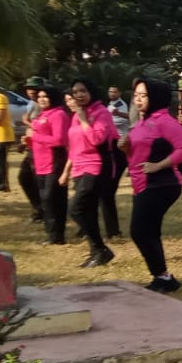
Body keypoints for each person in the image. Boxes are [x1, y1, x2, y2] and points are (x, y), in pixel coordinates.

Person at [125, 79, 182, 293]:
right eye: (136, 95)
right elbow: (137, 153)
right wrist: (125, 147)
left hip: (161, 184)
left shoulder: (164, 121)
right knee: (148, 231)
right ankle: (162, 277)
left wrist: (158, 166)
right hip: (143, 183)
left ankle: (163, 277)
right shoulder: (142, 121)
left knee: (140, 231)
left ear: (155, 97)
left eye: (143, 95)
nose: (138, 99)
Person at [59, 78, 117, 269]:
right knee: (88, 210)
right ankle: (96, 251)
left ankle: (101, 248)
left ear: (91, 91)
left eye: (83, 91)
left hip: (96, 165)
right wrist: (67, 171)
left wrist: (84, 120)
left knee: (76, 208)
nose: (79, 95)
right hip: (79, 167)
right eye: (75, 92)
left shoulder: (102, 113)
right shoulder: (77, 114)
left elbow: (97, 139)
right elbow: (74, 146)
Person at [25, 86, 69, 246]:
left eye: (45, 96)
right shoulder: (42, 114)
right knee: (45, 199)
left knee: (51, 198)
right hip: (40, 162)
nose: (41, 99)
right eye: (39, 96)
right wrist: (29, 141)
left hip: (54, 161)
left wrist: (36, 136)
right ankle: (51, 233)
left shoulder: (59, 114)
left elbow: (60, 140)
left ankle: (57, 235)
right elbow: (39, 138)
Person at [16, 78, 46, 221]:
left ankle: (43, 211)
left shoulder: (45, 104)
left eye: (34, 88)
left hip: (42, 148)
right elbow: (29, 123)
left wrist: (28, 122)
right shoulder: (32, 103)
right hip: (32, 145)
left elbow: (38, 125)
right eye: (28, 88)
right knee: (25, 178)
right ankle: (39, 209)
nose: (31, 91)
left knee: (38, 181)